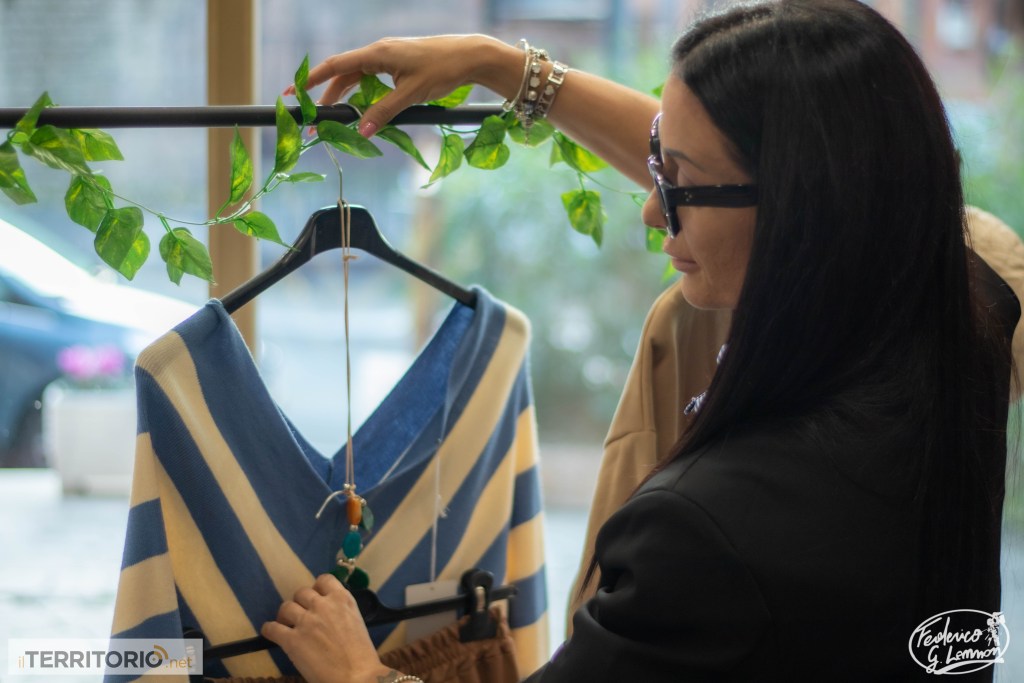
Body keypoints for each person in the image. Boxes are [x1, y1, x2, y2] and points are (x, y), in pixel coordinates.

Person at [263, 1, 1020, 680]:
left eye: (675, 182)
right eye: (658, 162)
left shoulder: (709, 533)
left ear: (797, 204)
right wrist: (502, 67)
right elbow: (749, 167)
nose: (652, 212)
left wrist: (359, 673)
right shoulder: (963, 318)